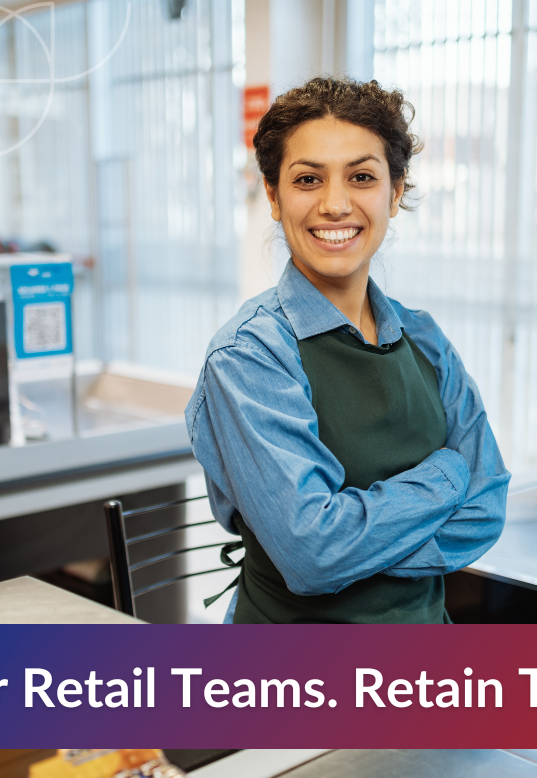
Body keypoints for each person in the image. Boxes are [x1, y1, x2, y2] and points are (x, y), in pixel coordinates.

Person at [185, 76, 510, 623]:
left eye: (362, 176)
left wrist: (354, 548)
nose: (335, 205)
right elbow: (312, 556)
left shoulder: (424, 340)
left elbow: (487, 509)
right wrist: (448, 476)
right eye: (308, 179)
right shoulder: (249, 356)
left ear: (396, 191)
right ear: (273, 195)